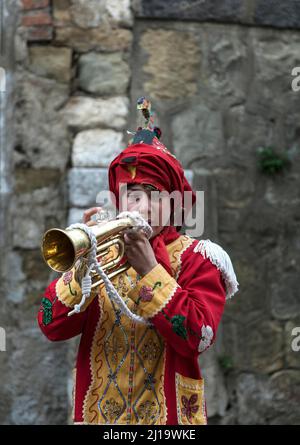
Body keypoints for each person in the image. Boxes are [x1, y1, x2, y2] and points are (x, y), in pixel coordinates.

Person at [37, 99, 239, 425]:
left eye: (151, 192)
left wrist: (150, 271)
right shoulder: (100, 255)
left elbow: (197, 337)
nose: (139, 204)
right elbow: (51, 325)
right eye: (130, 193)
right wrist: (83, 264)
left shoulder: (200, 258)